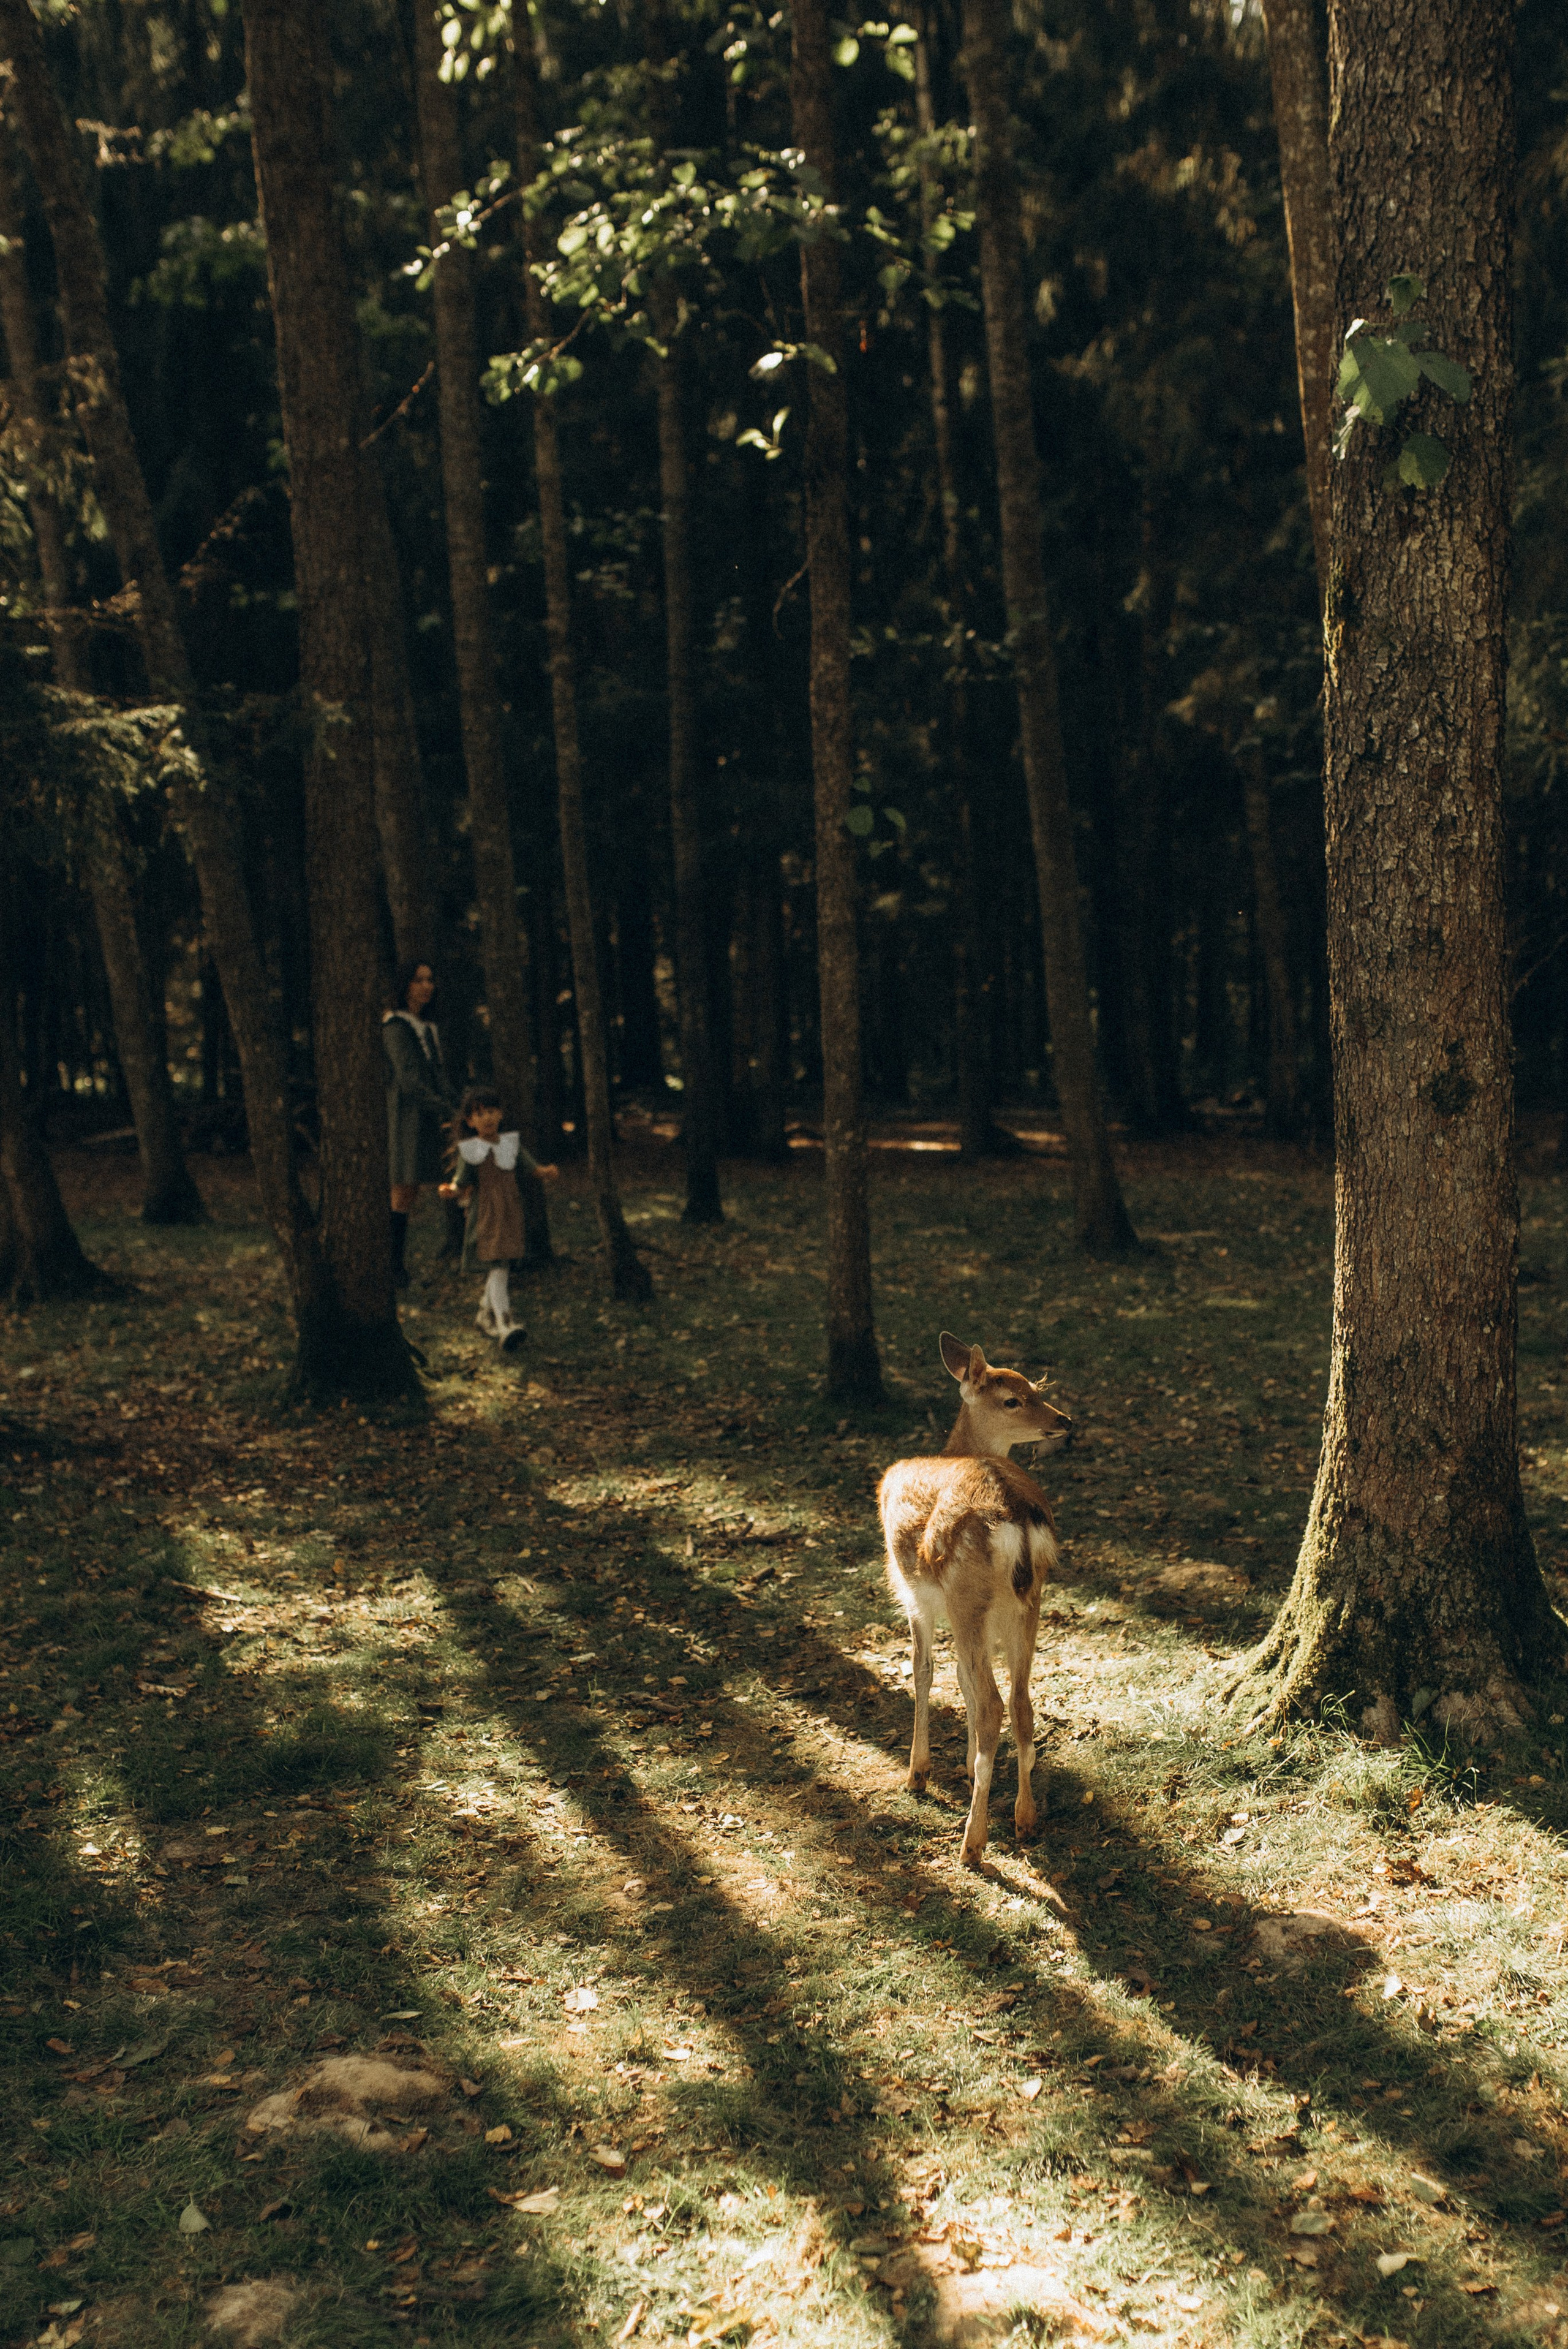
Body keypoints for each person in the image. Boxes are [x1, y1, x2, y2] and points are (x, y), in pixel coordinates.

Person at [440, 1086, 557, 1351]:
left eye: (492, 1112)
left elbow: (531, 1168)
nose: (488, 1118)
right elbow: (461, 1181)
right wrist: (452, 1190)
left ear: (500, 1114)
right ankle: (505, 1324)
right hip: (486, 1214)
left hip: (511, 1212)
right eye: (480, 1114)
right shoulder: (471, 1151)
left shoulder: (511, 1145)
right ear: (470, 1121)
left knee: (501, 1263)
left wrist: (545, 1172)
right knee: (499, 1266)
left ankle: (484, 1315)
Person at [383, 959, 455, 1288]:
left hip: (432, 1110)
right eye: (418, 980)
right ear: (405, 985)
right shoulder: (395, 1026)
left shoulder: (427, 1026)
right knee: (404, 1186)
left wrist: (458, 1106)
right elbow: (409, 1079)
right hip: (409, 1112)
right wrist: (442, 1107)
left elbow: (437, 1073)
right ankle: (392, 1267)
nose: (427, 986)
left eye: (430, 979)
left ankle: (471, 1253)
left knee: (452, 1177)